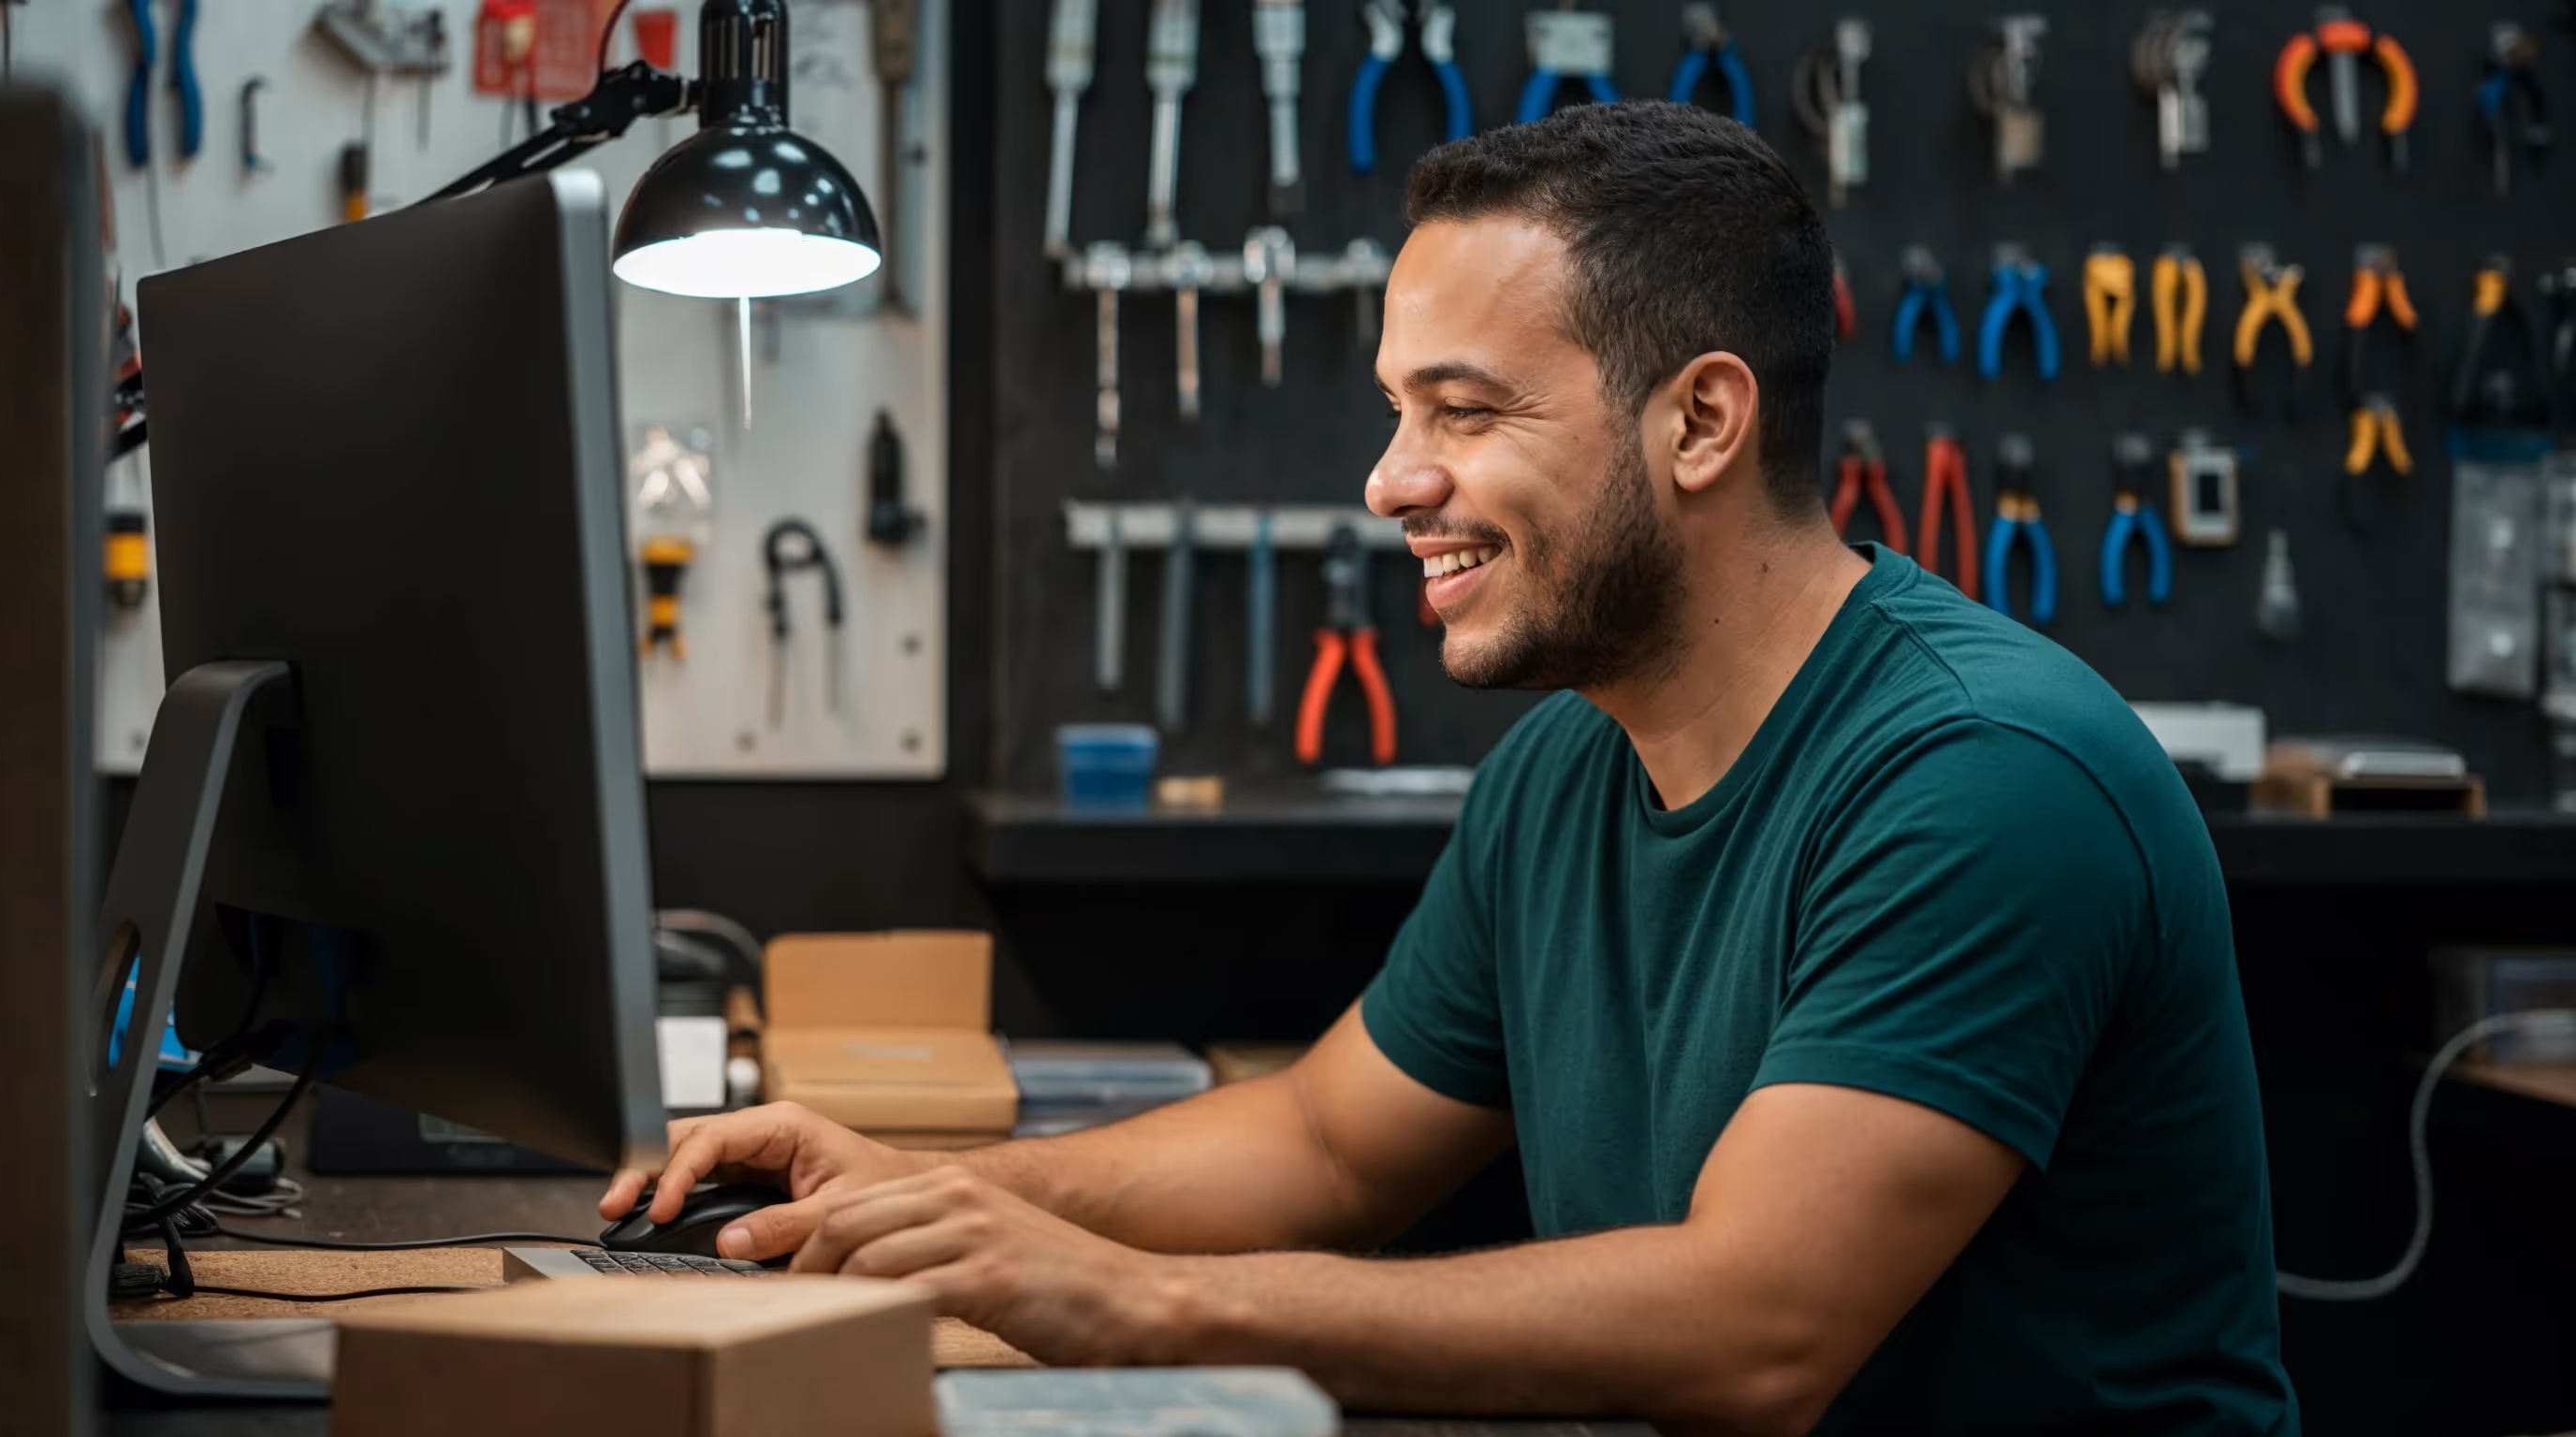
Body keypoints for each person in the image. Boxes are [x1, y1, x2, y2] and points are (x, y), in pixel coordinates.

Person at [604, 102, 2296, 1435]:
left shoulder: (1982, 781)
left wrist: (1134, 1300)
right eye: (1400, 412)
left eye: (1465, 413)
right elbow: (1332, 1148)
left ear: (1702, 423)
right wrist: (924, 1197)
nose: (1390, 483)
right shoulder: (1568, 766)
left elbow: (1756, 1333)